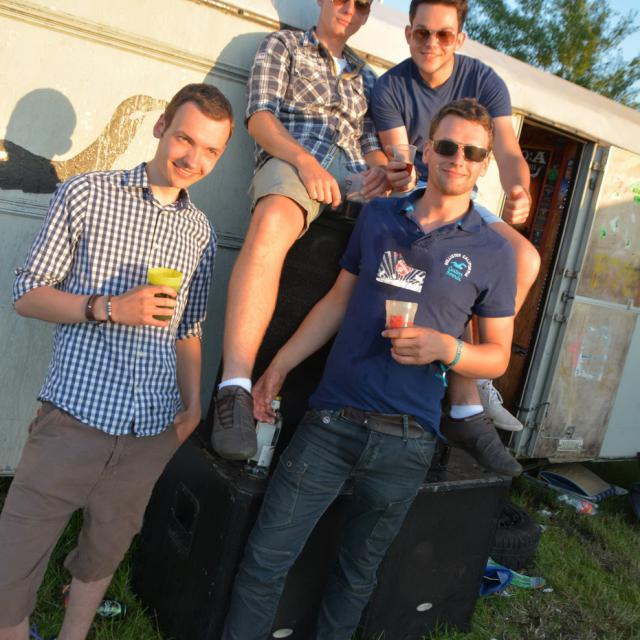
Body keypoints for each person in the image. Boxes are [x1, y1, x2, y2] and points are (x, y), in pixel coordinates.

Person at [222, 98, 517, 640]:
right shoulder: (380, 216)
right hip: (330, 423)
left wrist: (446, 349)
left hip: (407, 442)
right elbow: (337, 301)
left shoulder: (494, 252)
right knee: (264, 559)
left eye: (473, 152)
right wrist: (278, 367)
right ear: (427, 149)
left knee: (355, 577)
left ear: (485, 163)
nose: (457, 159)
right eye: (447, 145)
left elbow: (496, 355)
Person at [0, 83, 234, 640]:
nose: (193, 159)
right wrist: (109, 307)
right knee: (15, 555)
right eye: (185, 139)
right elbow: (27, 293)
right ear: (160, 127)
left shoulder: (200, 231)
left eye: (210, 150)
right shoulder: (86, 194)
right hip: (75, 415)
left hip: (150, 427)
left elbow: (189, 327)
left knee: (106, 546)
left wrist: (191, 407)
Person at [211, 0, 389, 461]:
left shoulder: (368, 77)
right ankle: (234, 387)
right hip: (296, 157)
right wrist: (305, 162)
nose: (349, 8)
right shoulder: (285, 45)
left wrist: (381, 173)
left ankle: (387, 415)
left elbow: (372, 146)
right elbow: (260, 118)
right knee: (273, 218)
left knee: (401, 245)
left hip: (353, 177)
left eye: (362, 4)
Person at [371, 0, 540, 467]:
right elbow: (402, 162)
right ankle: (466, 401)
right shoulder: (389, 87)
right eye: (422, 32)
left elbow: (508, 151)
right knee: (456, 258)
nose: (432, 43)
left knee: (525, 258)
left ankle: (473, 372)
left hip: (467, 200)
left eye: (443, 34)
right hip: (420, 196)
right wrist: (400, 174)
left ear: (460, 39)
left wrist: (519, 189)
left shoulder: (485, 81)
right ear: (408, 33)